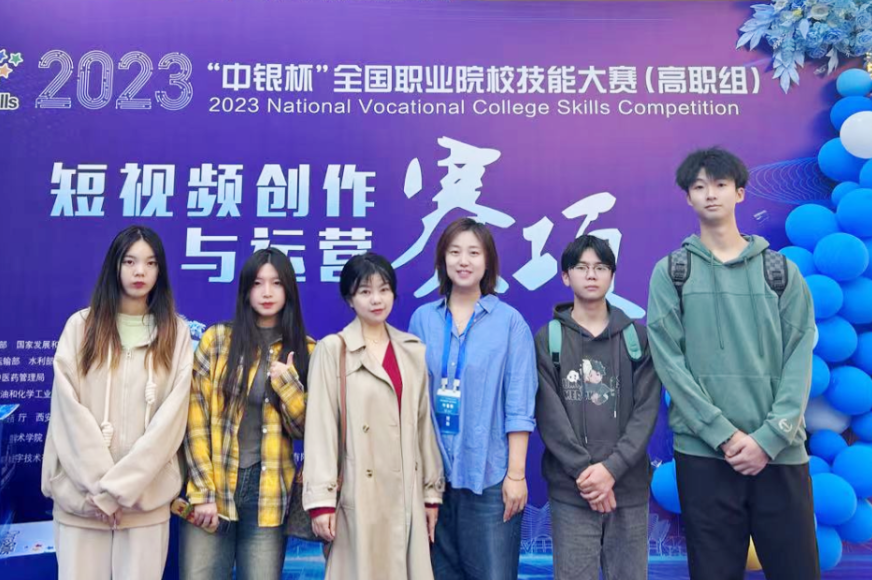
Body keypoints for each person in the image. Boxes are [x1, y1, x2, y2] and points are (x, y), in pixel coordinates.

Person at [647, 147, 819, 580]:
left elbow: (800, 355)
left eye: (721, 184)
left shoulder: (781, 271)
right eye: (699, 186)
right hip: (703, 455)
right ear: (688, 197)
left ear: (740, 193)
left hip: (780, 452)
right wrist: (723, 435)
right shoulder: (671, 272)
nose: (710, 194)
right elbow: (670, 363)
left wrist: (770, 437)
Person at [41, 226, 193, 580]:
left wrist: (120, 491)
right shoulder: (80, 327)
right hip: (81, 504)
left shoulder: (176, 333)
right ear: (115, 265)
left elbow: (170, 422)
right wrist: (101, 491)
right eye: (130, 261)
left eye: (150, 263)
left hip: (144, 506)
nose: (140, 272)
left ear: (160, 271)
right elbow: (68, 413)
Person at [409, 217, 537, 580]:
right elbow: (413, 403)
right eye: (454, 252)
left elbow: (519, 406)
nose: (463, 261)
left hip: (490, 476)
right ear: (442, 260)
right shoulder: (422, 320)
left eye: (473, 253)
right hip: (432, 478)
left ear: (488, 261)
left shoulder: (510, 323)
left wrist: (516, 475)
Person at [303, 252, 444, 580]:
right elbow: (321, 429)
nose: (376, 299)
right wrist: (322, 502)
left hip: (406, 495)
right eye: (365, 291)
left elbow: (423, 427)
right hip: (358, 495)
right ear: (349, 299)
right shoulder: (333, 349)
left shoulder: (411, 350)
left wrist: (430, 494)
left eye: (384, 289)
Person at [534, 235, 659, 580]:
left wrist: (611, 470)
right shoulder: (549, 339)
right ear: (565, 276)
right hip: (572, 491)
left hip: (628, 489)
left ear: (612, 276)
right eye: (581, 267)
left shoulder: (637, 338)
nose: (591, 275)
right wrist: (586, 474)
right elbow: (549, 415)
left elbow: (646, 411)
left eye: (600, 267)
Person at [181, 248, 311, 580]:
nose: (267, 292)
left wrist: (287, 384)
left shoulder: (306, 349)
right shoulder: (217, 340)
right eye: (258, 283)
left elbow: (307, 430)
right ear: (245, 290)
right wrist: (203, 492)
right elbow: (194, 421)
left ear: (289, 290)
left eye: (276, 283)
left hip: (268, 493)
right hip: (214, 484)